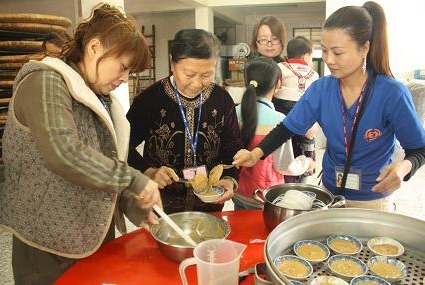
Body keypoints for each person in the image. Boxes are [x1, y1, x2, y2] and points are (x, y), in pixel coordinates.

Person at [0, 4, 161, 284]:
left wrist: (132, 205)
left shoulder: (96, 95)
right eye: (123, 67)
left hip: (89, 233)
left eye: (130, 73)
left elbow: (100, 163)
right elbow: (64, 152)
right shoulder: (45, 81)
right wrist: (134, 179)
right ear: (95, 47)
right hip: (46, 242)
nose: (124, 79)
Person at [233, 1, 425, 212]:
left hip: (373, 200)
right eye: (324, 51)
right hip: (330, 193)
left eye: (338, 52)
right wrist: (256, 154)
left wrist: (404, 167)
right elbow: (286, 128)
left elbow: (419, 149)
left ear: (365, 48)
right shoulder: (321, 89)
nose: (329, 60)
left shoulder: (392, 93)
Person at [127, 29, 243, 214]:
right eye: (189, 74)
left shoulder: (222, 100)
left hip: (210, 203)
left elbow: (232, 147)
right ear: (173, 64)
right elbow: (122, 145)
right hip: (161, 203)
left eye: (206, 75)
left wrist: (229, 179)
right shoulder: (150, 99)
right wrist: (148, 171)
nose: (197, 83)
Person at [233, 56, 315, 210]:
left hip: (238, 192)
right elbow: (285, 166)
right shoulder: (278, 120)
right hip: (265, 196)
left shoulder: (234, 113)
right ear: (278, 84)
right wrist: (306, 163)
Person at [274, 36, 320, 182]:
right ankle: (307, 170)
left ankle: (287, 175)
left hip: (283, 110)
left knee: (286, 146)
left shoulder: (280, 67)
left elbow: (275, 88)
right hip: (305, 112)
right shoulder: (314, 74)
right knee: (308, 139)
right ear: (306, 56)